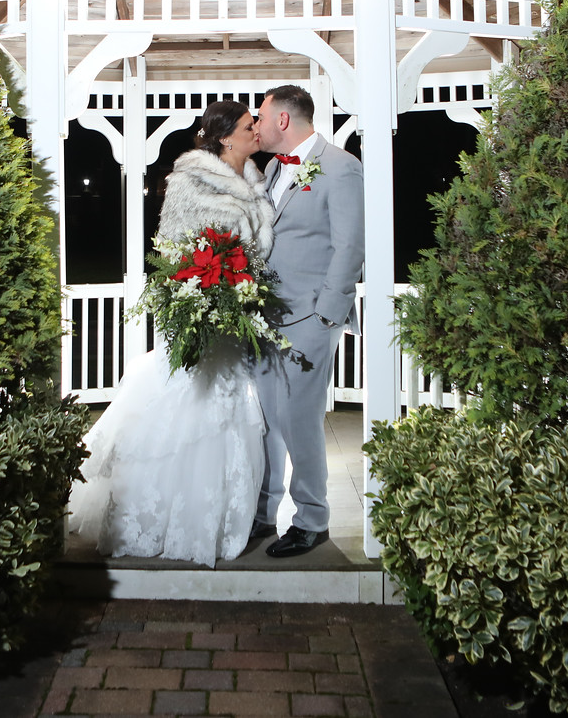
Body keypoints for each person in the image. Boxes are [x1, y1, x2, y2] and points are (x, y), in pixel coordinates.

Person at [67, 100, 274, 567]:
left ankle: (223, 518)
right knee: (189, 408)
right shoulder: (188, 183)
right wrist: (206, 289)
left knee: (231, 413)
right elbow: (176, 249)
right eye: (248, 126)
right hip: (202, 312)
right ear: (225, 137)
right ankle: (165, 520)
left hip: (236, 316)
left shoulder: (258, 181)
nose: (255, 131)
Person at [248, 84, 365, 558]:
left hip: (310, 316)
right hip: (267, 315)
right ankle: (264, 514)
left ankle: (312, 520)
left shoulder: (341, 166)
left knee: (299, 419)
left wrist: (326, 316)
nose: (255, 124)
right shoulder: (274, 168)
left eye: (260, 116)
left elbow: (350, 245)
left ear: (282, 120)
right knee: (269, 420)